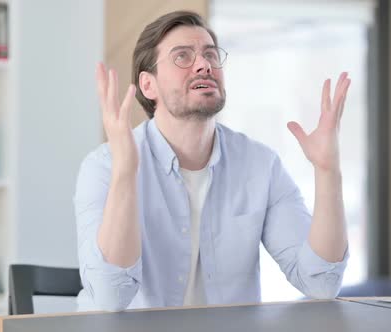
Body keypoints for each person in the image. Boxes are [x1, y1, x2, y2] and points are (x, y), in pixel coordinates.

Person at [74, 10, 350, 312]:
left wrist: (327, 170)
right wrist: (126, 172)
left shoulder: (260, 165)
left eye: (210, 55)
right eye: (182, 56)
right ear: (148, 85)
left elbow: (321, 284)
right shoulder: (104, 166)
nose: (204, 65)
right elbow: (110, 299)